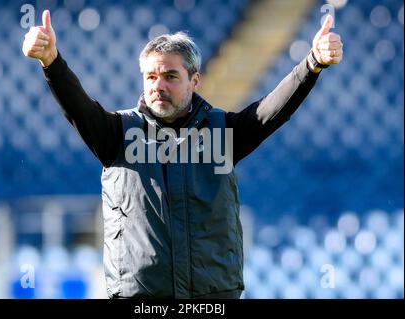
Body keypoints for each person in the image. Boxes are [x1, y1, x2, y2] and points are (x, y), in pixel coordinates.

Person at [22, 9, 343, 299]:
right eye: (151, 76)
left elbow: (272, 110)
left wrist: (312, 62)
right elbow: (76, 105)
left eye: (170, 76)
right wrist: (51, 61)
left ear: (194, 80)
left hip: (213, 298)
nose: (158, 85)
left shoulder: (222, 133)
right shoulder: (117, 134)